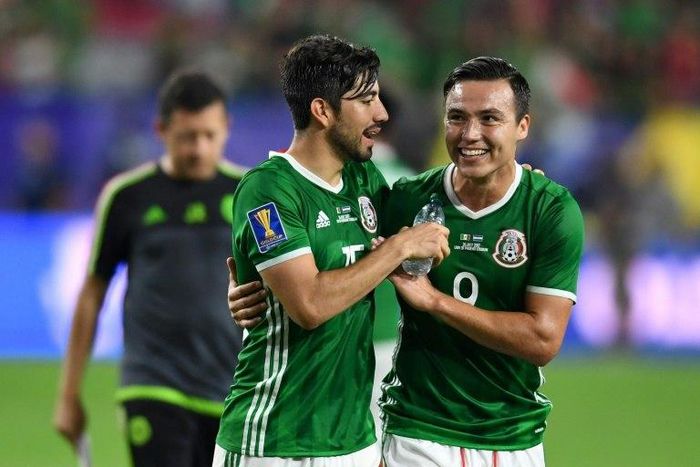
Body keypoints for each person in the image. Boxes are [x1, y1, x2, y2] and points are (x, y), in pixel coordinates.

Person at [230, 57, 584, 467]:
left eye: (490, 119)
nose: (471, 134)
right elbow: (310, 240)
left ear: (522, 126)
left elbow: (543, 340)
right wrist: (248, 288)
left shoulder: (550, 210)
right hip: (414, 435)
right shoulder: (407, 199)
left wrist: (434, 301)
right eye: (456, 117)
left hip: (515, 435)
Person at [213, 34, 449, 467]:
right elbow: (309, 304)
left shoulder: (365, 182)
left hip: (354, 442)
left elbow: (447, 196)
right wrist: (397, 247)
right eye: (367, 100)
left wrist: (508, 172)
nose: (382, 114)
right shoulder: (269, 189)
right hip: (273, 442)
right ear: (322, 110)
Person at [53, 70, 246, 467]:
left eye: (209, 135)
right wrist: (68, 395)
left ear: (226, 127)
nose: (199, 148)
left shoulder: (249, 193)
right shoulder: (127, 197)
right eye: (186, 137)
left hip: (233, 391)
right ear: (161, 130)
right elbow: (93, 293)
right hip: (153, 383)